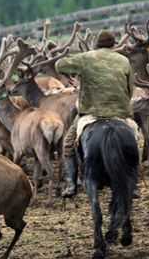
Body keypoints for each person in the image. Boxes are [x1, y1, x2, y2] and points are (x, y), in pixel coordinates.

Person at [56, 30, 133, 198]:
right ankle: (133, 181)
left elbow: (60, 65)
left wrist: (77, 61)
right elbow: (130, 90)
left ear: (97, 44)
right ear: (114, 44)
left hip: (90, 113)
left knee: (68, 144)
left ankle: (71, 184)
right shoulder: (124, 61)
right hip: (119, 113)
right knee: (135, 141)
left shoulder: (86, 58)